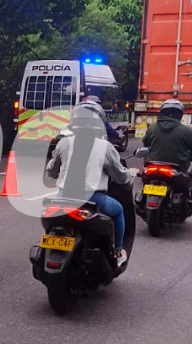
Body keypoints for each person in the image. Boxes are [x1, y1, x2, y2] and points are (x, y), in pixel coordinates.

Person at [47, 99, 136, 264]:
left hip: (63, 197)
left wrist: (56, 173)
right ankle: (117, 251)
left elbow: (52, 170)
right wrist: (130, 174)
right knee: (118, 211)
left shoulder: (63, 142)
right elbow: (120, 176)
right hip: (93, 199)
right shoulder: (106, 147)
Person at [142, 99, 192, 210]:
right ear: (180, 115)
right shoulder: (185, 130)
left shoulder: (152, 128)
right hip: (177, 168)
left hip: (152, 166)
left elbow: (146, 143)